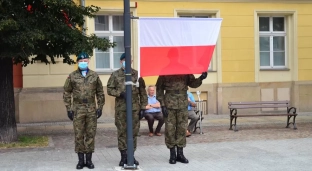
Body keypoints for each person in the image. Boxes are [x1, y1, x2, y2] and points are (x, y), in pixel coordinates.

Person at [63, 52, 105, 169]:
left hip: (91, 108)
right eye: (81, 61)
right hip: (78, 108)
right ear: (77, 62)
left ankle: (89, 160)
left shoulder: (94, 76)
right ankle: (81, 161)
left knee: (90, 134)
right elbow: (67, 92)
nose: (83, 63)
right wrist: (69, 109)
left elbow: (100, 92)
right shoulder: (72, 76)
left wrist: (100, 107)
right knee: (79, 134)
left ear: (88, 62)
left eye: (85, 61)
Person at [156, 72, 207, 164]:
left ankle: (180, 153)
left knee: (182, 128)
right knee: (170, 129)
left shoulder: (185, 71)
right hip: (169, 104)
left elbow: (193, 83)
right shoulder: (164, 72)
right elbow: (159, 90)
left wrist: (201, 78)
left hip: (182, 104)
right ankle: (172, 154)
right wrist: (163, 105)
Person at [107, 53, 147, 166]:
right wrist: (120, 94)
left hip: (134, 109)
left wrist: (143, 107)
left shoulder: (137, 75)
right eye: (124, 60)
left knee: (134, 133)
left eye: (129, 60)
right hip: (121, 109)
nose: (126, 62)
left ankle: (131, 155)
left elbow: (143, 93)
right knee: (122, 133)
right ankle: (123, 156)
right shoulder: (115, 75)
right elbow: (109, 89)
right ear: (121, 62)